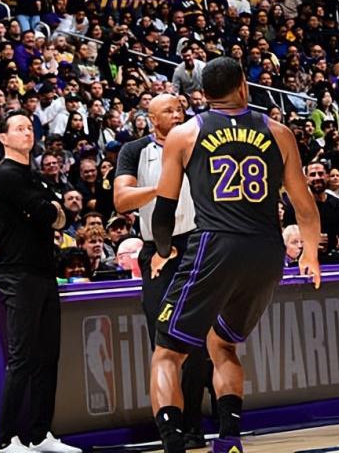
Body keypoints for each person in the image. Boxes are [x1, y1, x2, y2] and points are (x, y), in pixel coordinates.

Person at [148, 57, 322, 453]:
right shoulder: (278, 132)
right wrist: (310, 252)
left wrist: (163, 250)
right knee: (223, 344)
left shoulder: (185, 134)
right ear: (243, 86)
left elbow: (164, 211)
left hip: (215, 244)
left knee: (167, 353)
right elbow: (305, 205)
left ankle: (173, 445)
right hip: (267, 250)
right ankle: (229, 439)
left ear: (201, 94)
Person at [114, 94, 210, 442]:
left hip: (198, 243)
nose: (177, 114)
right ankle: (170, 427)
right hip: (157, 247)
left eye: (180, 109)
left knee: (200, 341)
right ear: (151, 118)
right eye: (168, 110)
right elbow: (121, 200)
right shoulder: (135, 151)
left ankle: (193, 425)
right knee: (165, 339)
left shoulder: (201, 143)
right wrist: (162, 187)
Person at [0, 111, 79, 453]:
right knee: (23, 358)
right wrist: (51, 210)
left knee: (47, 357)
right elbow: (47, 213)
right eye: (19, 128)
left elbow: (62, 217)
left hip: (44, 272)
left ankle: (40, 435)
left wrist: (52, 210)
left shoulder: (34, 176)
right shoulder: (6, 174)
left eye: (30, 127)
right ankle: (4, 441)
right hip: (18, 273)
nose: (27, 132)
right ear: (3, 138)